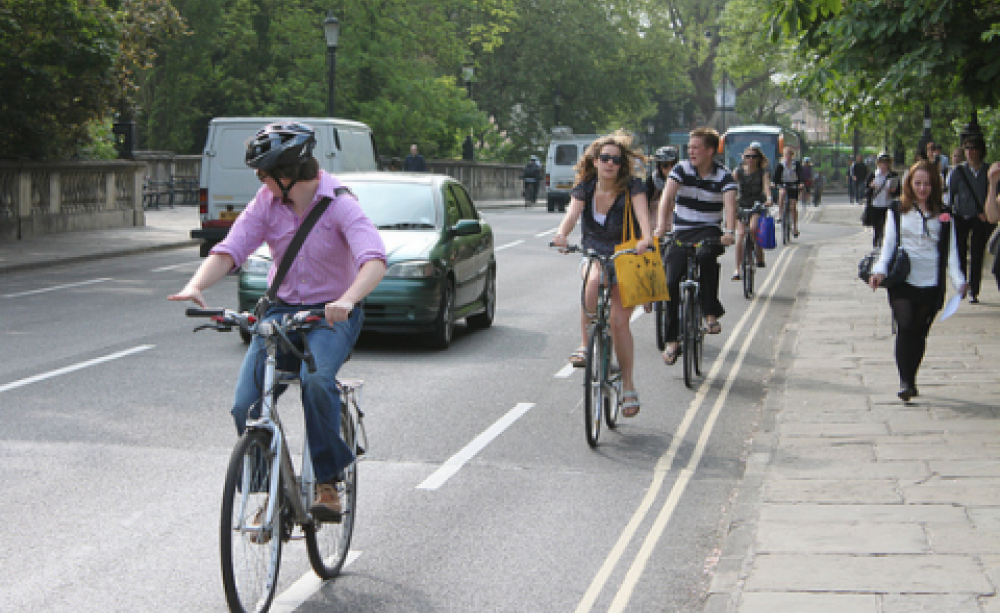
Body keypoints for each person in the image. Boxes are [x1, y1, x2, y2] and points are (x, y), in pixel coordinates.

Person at [168, 122, 387, 521]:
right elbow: (232, 248)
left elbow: (374, 259)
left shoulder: (340, 204)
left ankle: (327, 481)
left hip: (328, 314)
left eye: (265, 176)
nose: (262, 182)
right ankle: (271, 491)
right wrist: (196, 285)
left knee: (316, 383)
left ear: (286, 176)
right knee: (245, 405)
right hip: (282, 311)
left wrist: (348, 299)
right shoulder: (267, 204)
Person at [552, 131, 651, 417]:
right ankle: (585, 345)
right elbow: (571, 215)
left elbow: (644, 217)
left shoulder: (633, 187)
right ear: (595, 161)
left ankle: (629, 386)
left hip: (626, 255)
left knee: (620, 323)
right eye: (604, 158)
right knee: (592, 280)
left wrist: (645, 238)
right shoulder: (586, 187)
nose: (610, 164)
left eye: (616, 160)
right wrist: (561, 234)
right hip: (595, 251)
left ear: (622, 165)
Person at [868, 160, 967, 402]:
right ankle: (904, 381)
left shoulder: (944, 215)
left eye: (927, 184)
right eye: (918, 183)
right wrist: (879, 271)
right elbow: (888, 246)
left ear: (934, 185)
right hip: (903, 279)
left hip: (931, 283)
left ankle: (911, 378)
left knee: (919, 333)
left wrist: (959, 281)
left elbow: (952, 253)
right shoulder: (896, 210)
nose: (922, 188)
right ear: (909, 185)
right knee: (906, 325)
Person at [654, 127, 737, 366]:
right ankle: (672, 341)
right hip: (682, 230)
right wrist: (661, 227)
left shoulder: (723, 175)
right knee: (669, 283)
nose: (690, 151)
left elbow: (730, 206)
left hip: (710, 230)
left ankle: (709, 313)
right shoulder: (681, 170)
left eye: (695, 148)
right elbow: (667, 198)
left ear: (710, 151)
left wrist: (729, 231)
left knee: (707, 257)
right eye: (689, 148)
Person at [947, 134, 995, 304]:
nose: (969, 152)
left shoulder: (989, 171)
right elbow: (950, 195)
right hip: (960, 216)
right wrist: (948, 214)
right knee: (959, 252)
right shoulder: (958, 171)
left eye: (973, 148)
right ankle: (962, 285)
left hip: (980, 218)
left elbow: (993, 194)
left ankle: (975, 289)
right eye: (967, 148)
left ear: (980, 151)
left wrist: (987, 213)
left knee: (977, 254)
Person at [731, 143, 772, 279]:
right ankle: (737, 269)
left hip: (756, 204)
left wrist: (769, 198)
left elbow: (766, 187)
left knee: (754, 229)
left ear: (758, 158)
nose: (750, 159)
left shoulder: (762, 172)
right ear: (743, 157)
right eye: (748, 156)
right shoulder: (738, 171)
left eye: (754, 157)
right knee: (740, 234)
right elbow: (730, 185)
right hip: (742, 204)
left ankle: (759, 254)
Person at [865, 152, 901, 249]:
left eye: (886, 162)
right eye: (882, 162)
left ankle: (887, 246)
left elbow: (898, 192)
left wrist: (893, 191)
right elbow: (866, 192)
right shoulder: (873, 175)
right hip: (876, 205)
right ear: (878, 163)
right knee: (877, 227)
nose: (884, 164)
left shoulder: (893, 175)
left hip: (888, 204)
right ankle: (876, 245)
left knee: (888, 227)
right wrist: (871, 187)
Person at [772, 146, 803, 237]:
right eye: (786, 154)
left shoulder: (796, 164)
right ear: (784, 155)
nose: (788, 156)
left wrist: (801, 183)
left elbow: (800, 174)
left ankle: (795, 228)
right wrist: (773, 183)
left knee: (793, 206)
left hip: (793, 184)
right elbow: (775, 175)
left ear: (792, 155)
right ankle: (780, 215)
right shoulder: (781, 165)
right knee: (782, 193)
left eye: (789, 154)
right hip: (783, 184)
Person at [646, 145, 679, 228]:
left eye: (673, 165)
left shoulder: (684, 183)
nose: (670, 169)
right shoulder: (651, 183)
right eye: (665, 165)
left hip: (678, 231)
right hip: (655, 232)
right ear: (659, 167)